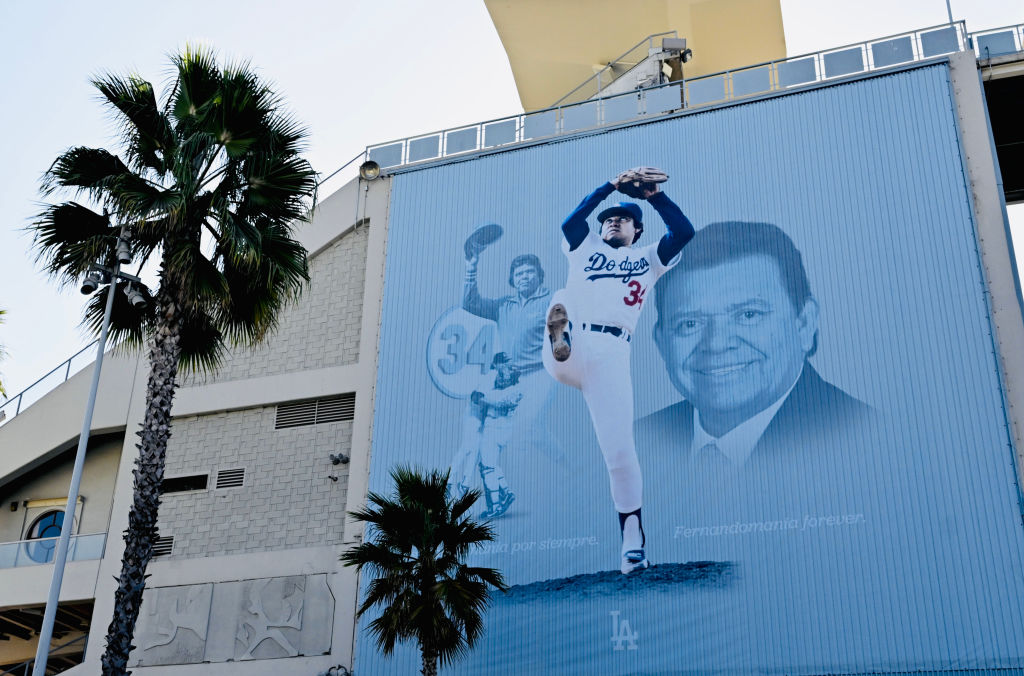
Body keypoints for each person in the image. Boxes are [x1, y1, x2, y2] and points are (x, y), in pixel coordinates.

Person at [542, 168, 695, 574]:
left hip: (612, 354)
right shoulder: (584, 245)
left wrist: (654, 196)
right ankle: (560, 336)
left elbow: (683, 232)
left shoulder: (648, 258)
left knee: (620, 453)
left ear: (637, 230)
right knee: (560, 297)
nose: (613, 221)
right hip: (573, 344)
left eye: (623, 218)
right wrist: (608, 187)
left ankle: (632, 541)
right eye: (609, 218)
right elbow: (571, 221)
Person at [640, 221, 872, 473]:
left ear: (804, 324)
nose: (717, 344)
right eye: (690, 324)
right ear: (661, 343)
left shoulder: (865, 437)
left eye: (748, 315)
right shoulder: (635, 442)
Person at [463, 250, 554, 452]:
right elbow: (470, 304)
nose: (524, 277)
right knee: (493, 435)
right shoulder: (504, 305)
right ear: (512, 280)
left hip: (537, 377)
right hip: (509, 379)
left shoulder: (551, 302)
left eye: (529, 272)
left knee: (527, 431)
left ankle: (567, 465)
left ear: (539, 275)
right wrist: (471, 268)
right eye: (519, 274)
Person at [447, 352, 522, 519]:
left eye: (505, 375)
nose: (501, 378)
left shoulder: (497, 391)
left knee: (487, 467)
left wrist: (484, 397)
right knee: (490, 464)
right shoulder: (517, 390)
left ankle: (495, 505)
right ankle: (506, 492)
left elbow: (478, 397)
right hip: (505, 431)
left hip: (493, 430)